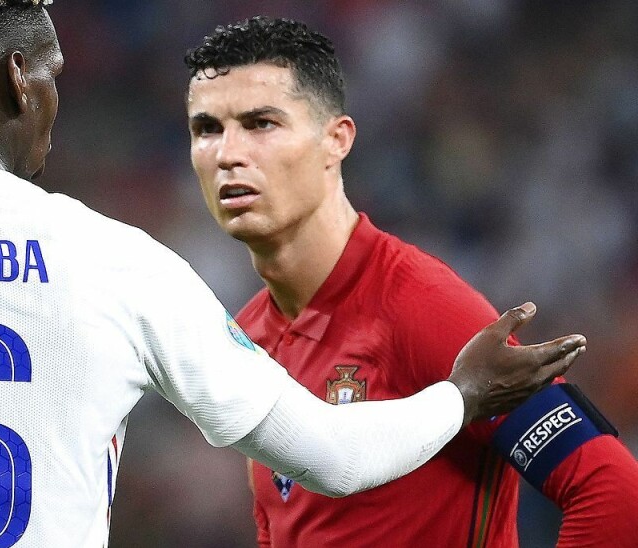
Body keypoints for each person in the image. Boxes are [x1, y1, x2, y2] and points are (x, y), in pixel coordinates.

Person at [0, 3, 585, 547]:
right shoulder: (119, 261)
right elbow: (335, 457)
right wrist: (460, 397)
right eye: (58, 77)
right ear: (21, 79)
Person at [184, 15, 638, 548]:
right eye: (207, 128)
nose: (228, 154)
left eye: (261, 123)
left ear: (336, 140)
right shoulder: (249, 337)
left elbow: (612, 492)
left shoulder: (420, 306)